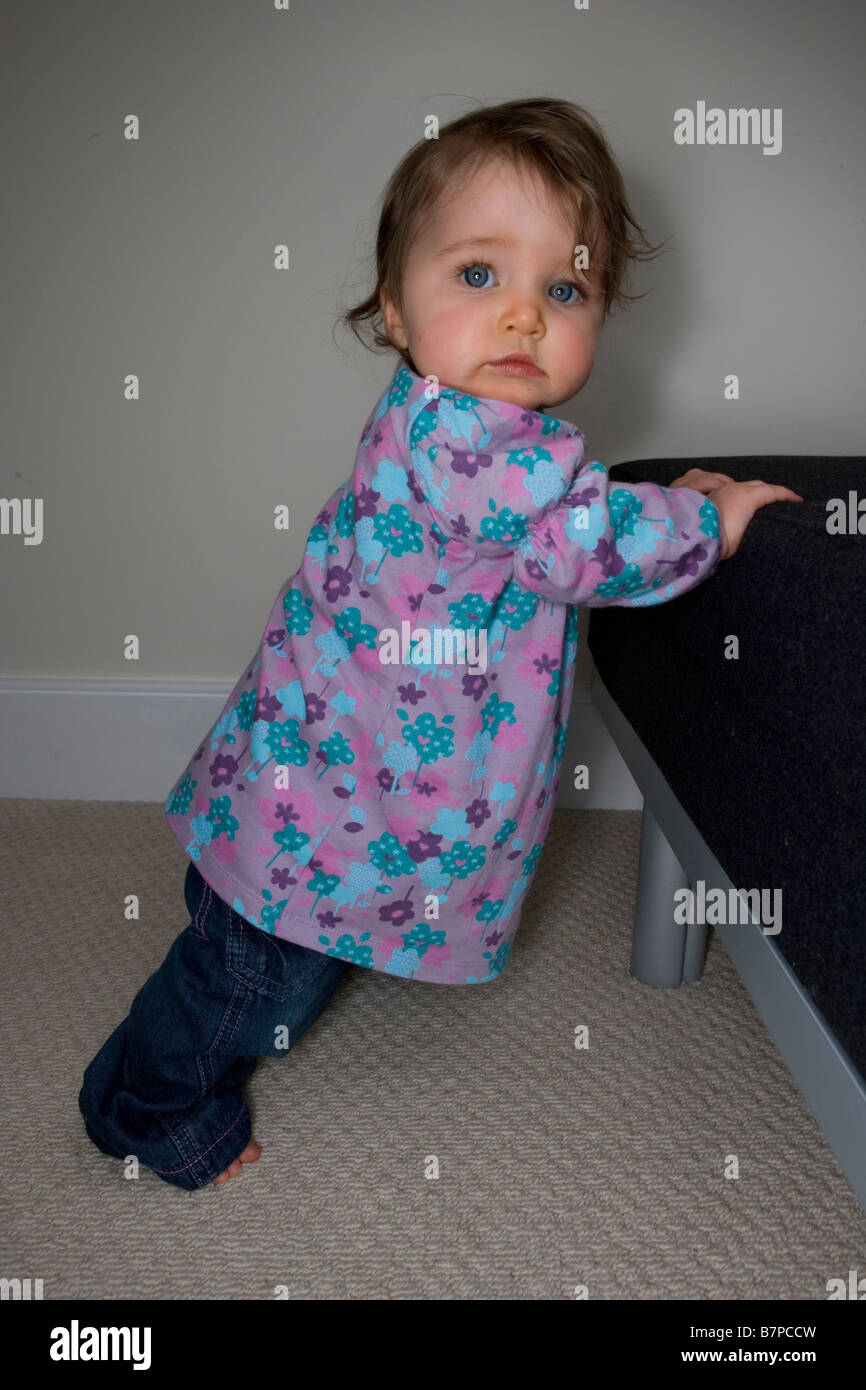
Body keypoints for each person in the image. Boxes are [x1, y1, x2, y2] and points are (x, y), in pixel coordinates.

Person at [79, 96, 802, 1191]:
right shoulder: (480, 449)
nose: (521, 316)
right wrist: (711, 516)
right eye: (478, 274)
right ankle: (154, 1109)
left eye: (562, 288)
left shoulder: (431, 415)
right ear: (393, 308)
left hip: (315, 743)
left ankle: (221, 923)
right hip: (340, 786)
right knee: (250, 980)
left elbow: (556, 518)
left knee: (249, 917)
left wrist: (650, 498)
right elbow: (583, 542)